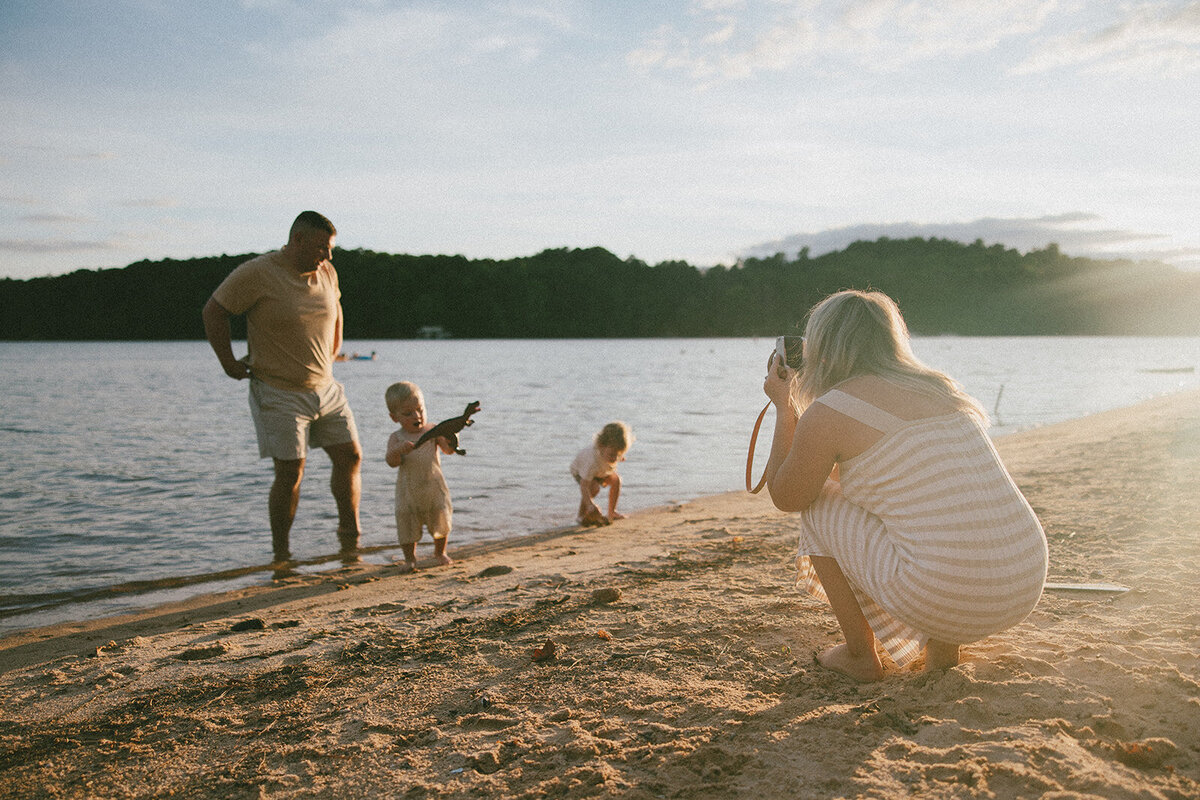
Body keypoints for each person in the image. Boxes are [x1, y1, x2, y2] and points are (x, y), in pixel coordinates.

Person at [761, 290, 1047, 682]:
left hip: (949, 596)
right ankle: (943, 648)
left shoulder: (830, 412)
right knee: (929, 507)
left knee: (816, 506)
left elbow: (787, 495)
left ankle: (860, 655)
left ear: (822, 346)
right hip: (1022, 584)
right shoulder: (941, 388)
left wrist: (784, 405)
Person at [202, 211, 363, 565]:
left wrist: (334, 349)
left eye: (331, 248)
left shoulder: (327, 272)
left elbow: (335, 307)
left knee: (350, 456)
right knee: (291, 471)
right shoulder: (257, 273)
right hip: (278, 391)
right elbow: (213, 312)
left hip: (327, 387)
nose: (328, 256)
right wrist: (228, 363)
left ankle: (350, 543)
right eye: (322, 247)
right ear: (299, 239)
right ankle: (282, 556)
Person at [384, 381, 456, 572]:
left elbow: (448, 451)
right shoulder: (397, 437)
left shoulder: (433, 431)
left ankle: (440, 552)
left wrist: (451, 441)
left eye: (420, 409)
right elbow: (391, 462)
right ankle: (410, 559)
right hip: (409, 491)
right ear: (394, 417)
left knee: (440, 516)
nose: (417, 416)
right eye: (408, 413)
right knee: (406, 522)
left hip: (433, 486)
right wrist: (399, 450)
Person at [570, 421, 634, 526]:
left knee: (616, 479)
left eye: (618, 455)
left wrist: (618, 457)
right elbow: (583, 485)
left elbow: (614, 455)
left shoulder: (610, 454)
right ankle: (580, 515)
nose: (614, 459)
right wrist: (590, 505)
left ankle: (612, 512)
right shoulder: (591, 461)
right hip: (580, 471)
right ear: (601, 446)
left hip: (601, 471)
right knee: (593, 488)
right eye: (612, 455)